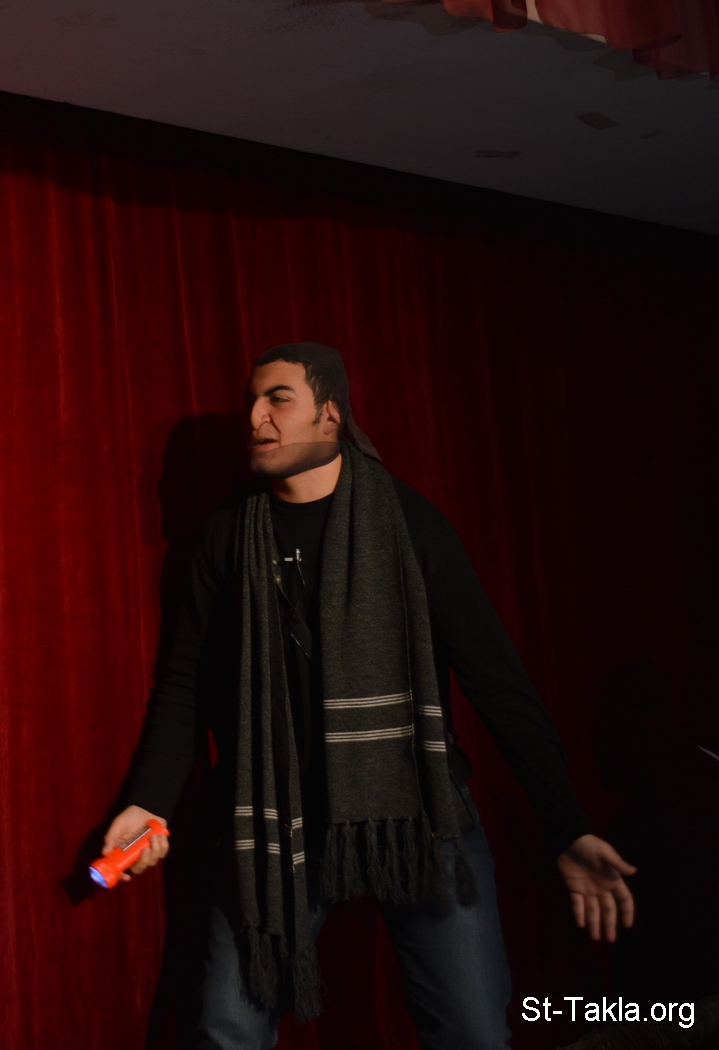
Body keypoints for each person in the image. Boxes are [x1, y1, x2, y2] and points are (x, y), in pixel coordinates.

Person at [101, 343, 635, 1049]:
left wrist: (565, 826)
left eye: (278, 399)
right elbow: (184, 685)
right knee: (224, 1032)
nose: (255, 417)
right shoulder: (227, 536)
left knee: (474, 1033)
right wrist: (148, 801)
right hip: (276, 816)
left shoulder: (410, 524)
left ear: (330, 414)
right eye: (250, 403)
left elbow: (498, 683)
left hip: (417, 814)